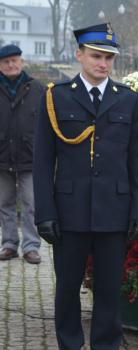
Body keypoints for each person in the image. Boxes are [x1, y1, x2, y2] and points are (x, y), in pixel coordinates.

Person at [33, 23, 138, 349]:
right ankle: (69, 344)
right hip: (69, 213)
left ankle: (106, 345)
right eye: (96, 56)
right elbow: (42, 162)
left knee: (110, 290)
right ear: (79, 55)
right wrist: (44, 212)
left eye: (108, 58)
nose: (103, 64)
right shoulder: (55, 97)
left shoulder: (128, 101)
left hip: (114, 212)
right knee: (67, 289)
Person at [0, 44, 44, 264]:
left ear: (21, 62)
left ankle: (31, 246)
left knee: (31, 204)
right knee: (4, 203)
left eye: (15, 60)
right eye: (6, 62)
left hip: (30, 156)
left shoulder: (37, 89)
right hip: (1, 156)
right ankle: (8, 244)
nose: (11, 65)